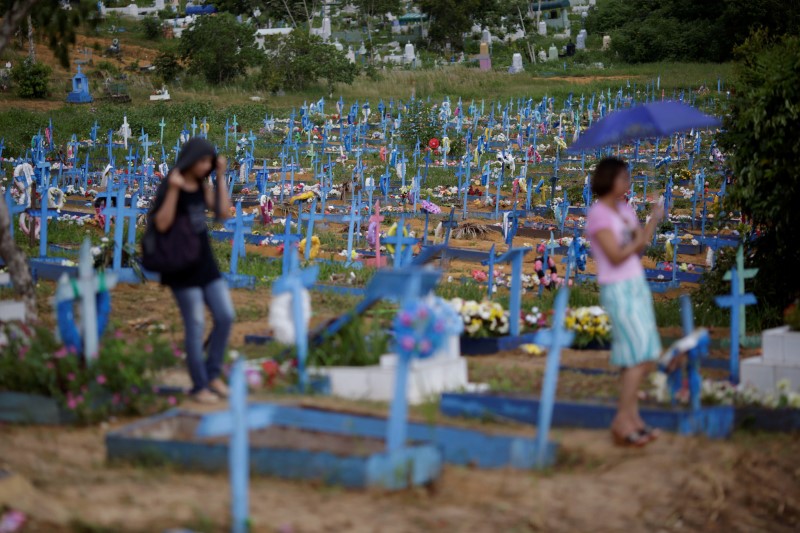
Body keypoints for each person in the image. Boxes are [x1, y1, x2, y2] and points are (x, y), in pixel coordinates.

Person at [586, 157, 665, 447]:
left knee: (643, 352)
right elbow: (616, 255)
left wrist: (653, 220)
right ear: (608, 179)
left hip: (635, 283)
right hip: (616, 287)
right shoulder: (599, 215)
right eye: (622, 177)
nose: (627, 181)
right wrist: (639, 236)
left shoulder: (625, 209)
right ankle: (622, 420)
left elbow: (639, 248)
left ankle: (634, 419)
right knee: (638, 354)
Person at [151, 138, 234, 404]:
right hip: (180, 268)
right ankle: (199, 385)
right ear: (191, 159)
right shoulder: (170, 186)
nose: (206, 166)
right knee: (196, 324)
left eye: (210, 162)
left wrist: (220, 176)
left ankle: (212, 375)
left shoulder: (201, 185)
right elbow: (162, 224)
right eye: (202, 161)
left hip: (204, 263)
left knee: (225, 316)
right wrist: (175, 190)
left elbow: (222, 213)